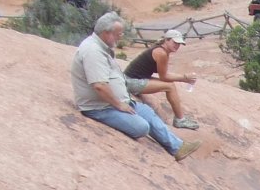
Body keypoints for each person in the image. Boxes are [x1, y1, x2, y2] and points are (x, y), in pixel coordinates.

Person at [71, 13, 201, 162]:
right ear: (106, 33)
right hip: (100, 107)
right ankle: (176, 132)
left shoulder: (102, 47)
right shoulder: (93, 51)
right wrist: (119, 104)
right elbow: (99, 85)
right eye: (118, 34)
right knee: (142, 127)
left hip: (117, 101)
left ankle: (178, 147)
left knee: (147, 112)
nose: (120, 37)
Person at [123, 29, 199, 130]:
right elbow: (164, 77)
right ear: (166, 40)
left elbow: (164, 74)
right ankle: (180, 120)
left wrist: (183, 77)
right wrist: (184, 78)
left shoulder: (162, 50)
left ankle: (180, 118)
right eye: (175, 42)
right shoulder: (161, 53)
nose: (177, 46)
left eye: (179, 44)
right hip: (132, 81)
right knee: (170, 86)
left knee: (169, 84)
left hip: (134, 78)